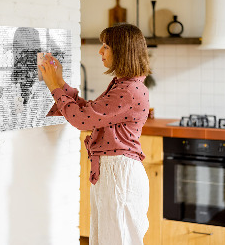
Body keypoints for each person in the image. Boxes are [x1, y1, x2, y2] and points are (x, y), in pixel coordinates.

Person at [39, 23, 151, 245]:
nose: (100, 51)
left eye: (106, 46)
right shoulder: (124, 85)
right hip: (114, 172)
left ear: (122, 51)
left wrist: (54, 86)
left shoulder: (128, 90)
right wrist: (60, 82)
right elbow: (90, 112)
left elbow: (82, 120)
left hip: (119, 174)